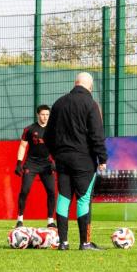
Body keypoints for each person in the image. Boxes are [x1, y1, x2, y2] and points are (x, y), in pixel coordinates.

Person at [44, 72, 108, 251]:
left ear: (75, 83)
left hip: (62, 160)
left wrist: (56, 154)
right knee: (83, 199)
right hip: (84, 160)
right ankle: (85, 243)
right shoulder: (91, 104)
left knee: (64, 198)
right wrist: (102, 157)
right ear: (90, 87)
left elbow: (48, 135)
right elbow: (97, 134)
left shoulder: (59, 103)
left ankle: (63, 242)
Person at [14, 105, 56, 228]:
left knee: (52, 192)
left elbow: (58, 146)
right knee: (25, 190)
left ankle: (50, 221)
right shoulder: (29, 129)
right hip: (31, 164)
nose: (45, 117)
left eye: (47, 115)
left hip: (47, 165)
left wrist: (56, 162)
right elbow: (22, 146)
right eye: (43, 114)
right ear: (38, 114)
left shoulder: (53, 129)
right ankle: (20, 220)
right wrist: (18, 163)